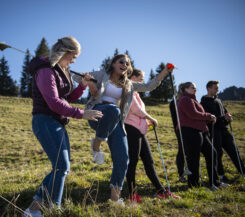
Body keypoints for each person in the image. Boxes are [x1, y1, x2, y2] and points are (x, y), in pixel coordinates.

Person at [73, 54, 174, 203]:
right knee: (114, 110)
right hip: (97, 114)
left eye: (127, 63)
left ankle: (115, 199)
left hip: (116, 122)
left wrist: (165, 72)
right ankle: (97, 144)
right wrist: (86, 80)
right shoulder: (101, 74)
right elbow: (76, 77)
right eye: (121, 61)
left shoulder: (128, 84)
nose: (125, 64)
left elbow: (148, 86)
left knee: (123, 159)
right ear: (113, 63)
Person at [23, 36, 103, 217]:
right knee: (61, 166)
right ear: (65, 52)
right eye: (73, 56)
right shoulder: (46, 71)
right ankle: (52, 208)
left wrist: (82, 86)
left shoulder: (61, 70)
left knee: (62, 167)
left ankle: (35, 208)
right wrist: (82, 114)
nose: (74, 60)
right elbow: (54, 102)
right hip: (45, 120)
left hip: (57, 123)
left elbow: (67, 98)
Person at [125, 69, 180, 203]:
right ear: (132, 77)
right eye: (141, 78)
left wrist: (146, 123)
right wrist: (152, 118)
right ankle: (132, 194)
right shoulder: (128, 89)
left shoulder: (137, 94)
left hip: (139, 130)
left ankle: (162, 191)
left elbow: (139, 113)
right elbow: (136, 110)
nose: (142, 81)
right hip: (130, 129)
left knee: (149, 161)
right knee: (132, 162)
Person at [177, 82, 228, 190]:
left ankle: (214, 182)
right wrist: (209, 116)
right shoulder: (185, 99)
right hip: (190, 132)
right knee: (194, 159)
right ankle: (194, 185)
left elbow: (197, 115)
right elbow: (193, 114)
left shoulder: (193, 100)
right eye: (192, 87)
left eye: (195, 87)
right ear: (185, 89)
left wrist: (208, 120)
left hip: (200, 132)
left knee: (212, 153)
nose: (195, 89)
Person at [201, 80, 245, 182]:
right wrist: (222, 117)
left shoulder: (219, 100)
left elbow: (225, 112)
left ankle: (242, 171)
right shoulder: (203, 102)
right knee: (218, 153)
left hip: (224, 130)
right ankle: (221, 175)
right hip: (214, 130)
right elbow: (207, 118)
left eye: (217, 87)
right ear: (208, 88)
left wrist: (228, 117)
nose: (217, 89)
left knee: (234, 150)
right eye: (215, 88)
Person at [169, 84, 186, 182]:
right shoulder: (174, 102)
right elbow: (175, 118)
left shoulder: (191, 100)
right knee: (182, 150)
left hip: (192, 129)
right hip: (180, 129)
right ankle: (181, 174)